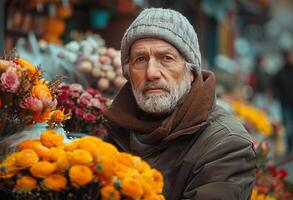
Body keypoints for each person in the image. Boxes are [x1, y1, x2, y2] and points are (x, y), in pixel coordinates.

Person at [104, 8, 256, 200]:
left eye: (166, 59)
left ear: (191, 71)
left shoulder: (226, 144)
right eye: (140, 59)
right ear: (128, 73)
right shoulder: (111, 128)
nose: (151, 73)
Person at [273, 49, 293, 154]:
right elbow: (275, 86)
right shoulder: (280, 72)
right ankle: (290, 146)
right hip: (285, 104)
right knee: (288, 127)